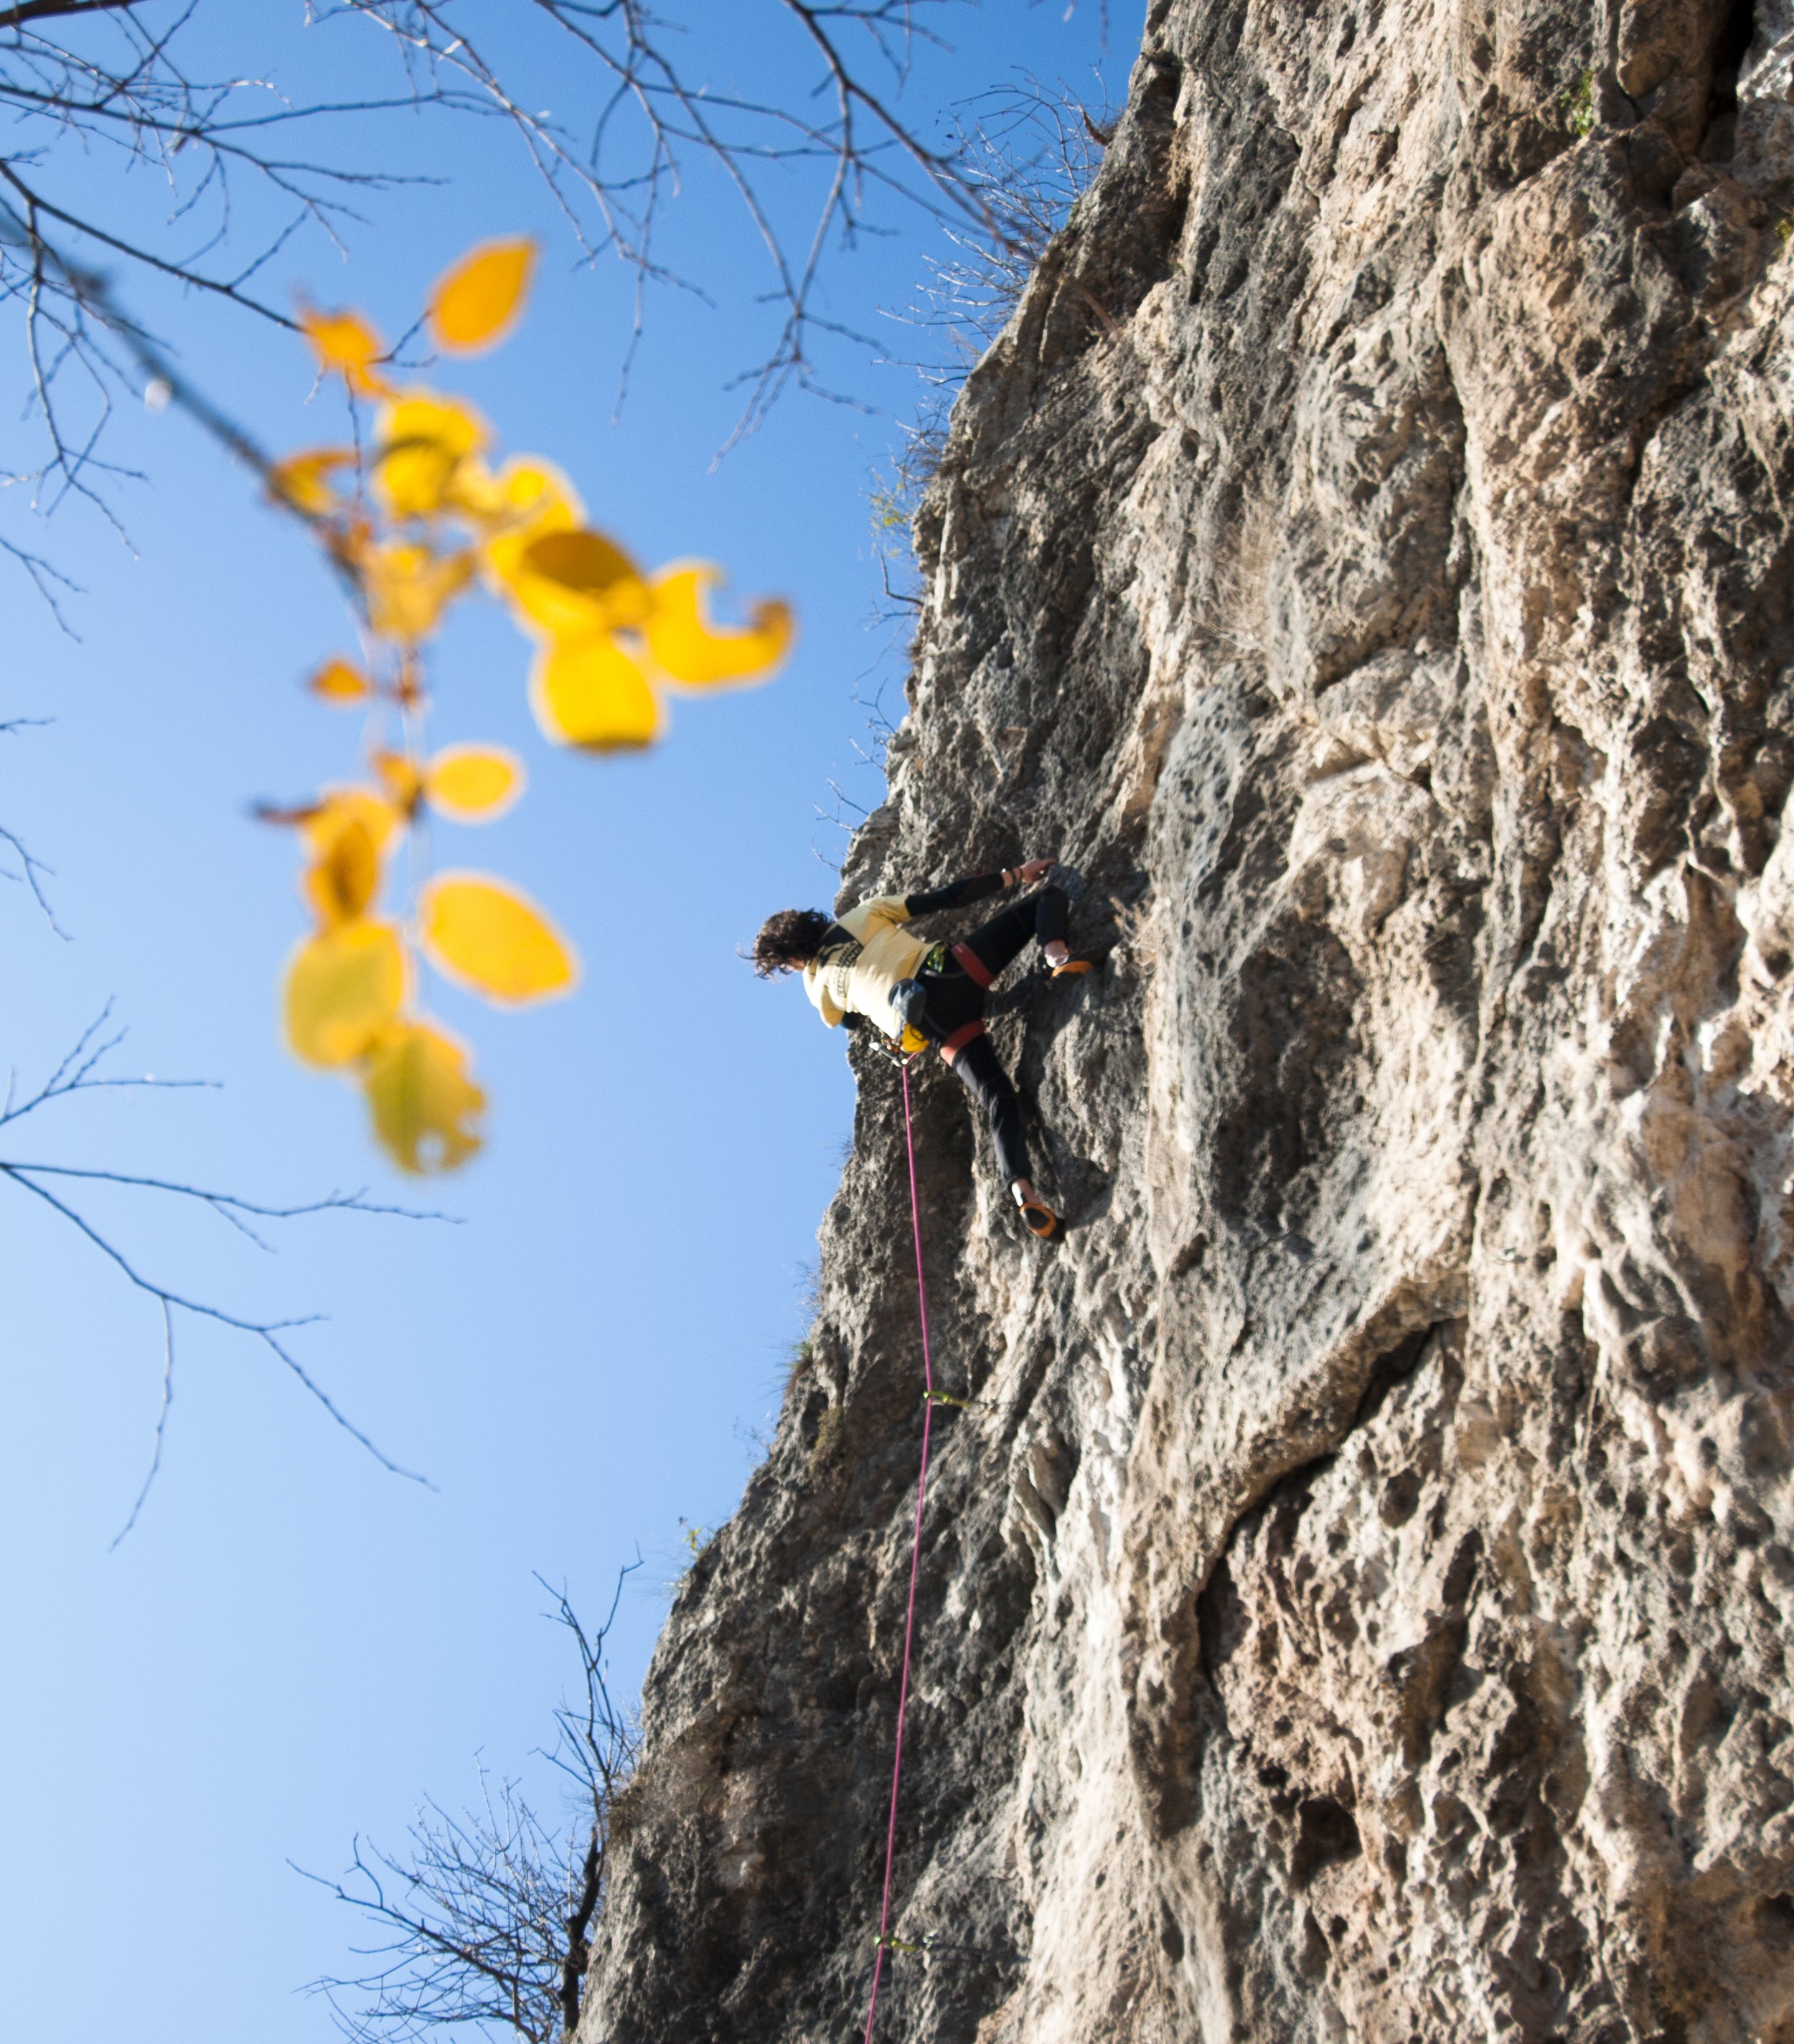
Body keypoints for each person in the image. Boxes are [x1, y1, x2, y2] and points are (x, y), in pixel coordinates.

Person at [752, 858, 1089, 1239]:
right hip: (950, 970)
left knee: (997, 1096)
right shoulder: (863, 914)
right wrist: (1014, 875)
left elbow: (850, 1022)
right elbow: (945, 898)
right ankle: (1058, 958)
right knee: (1047, 899)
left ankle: (1023, 1192)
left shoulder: (816, 989)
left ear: (792, 960)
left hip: (933, 1025)